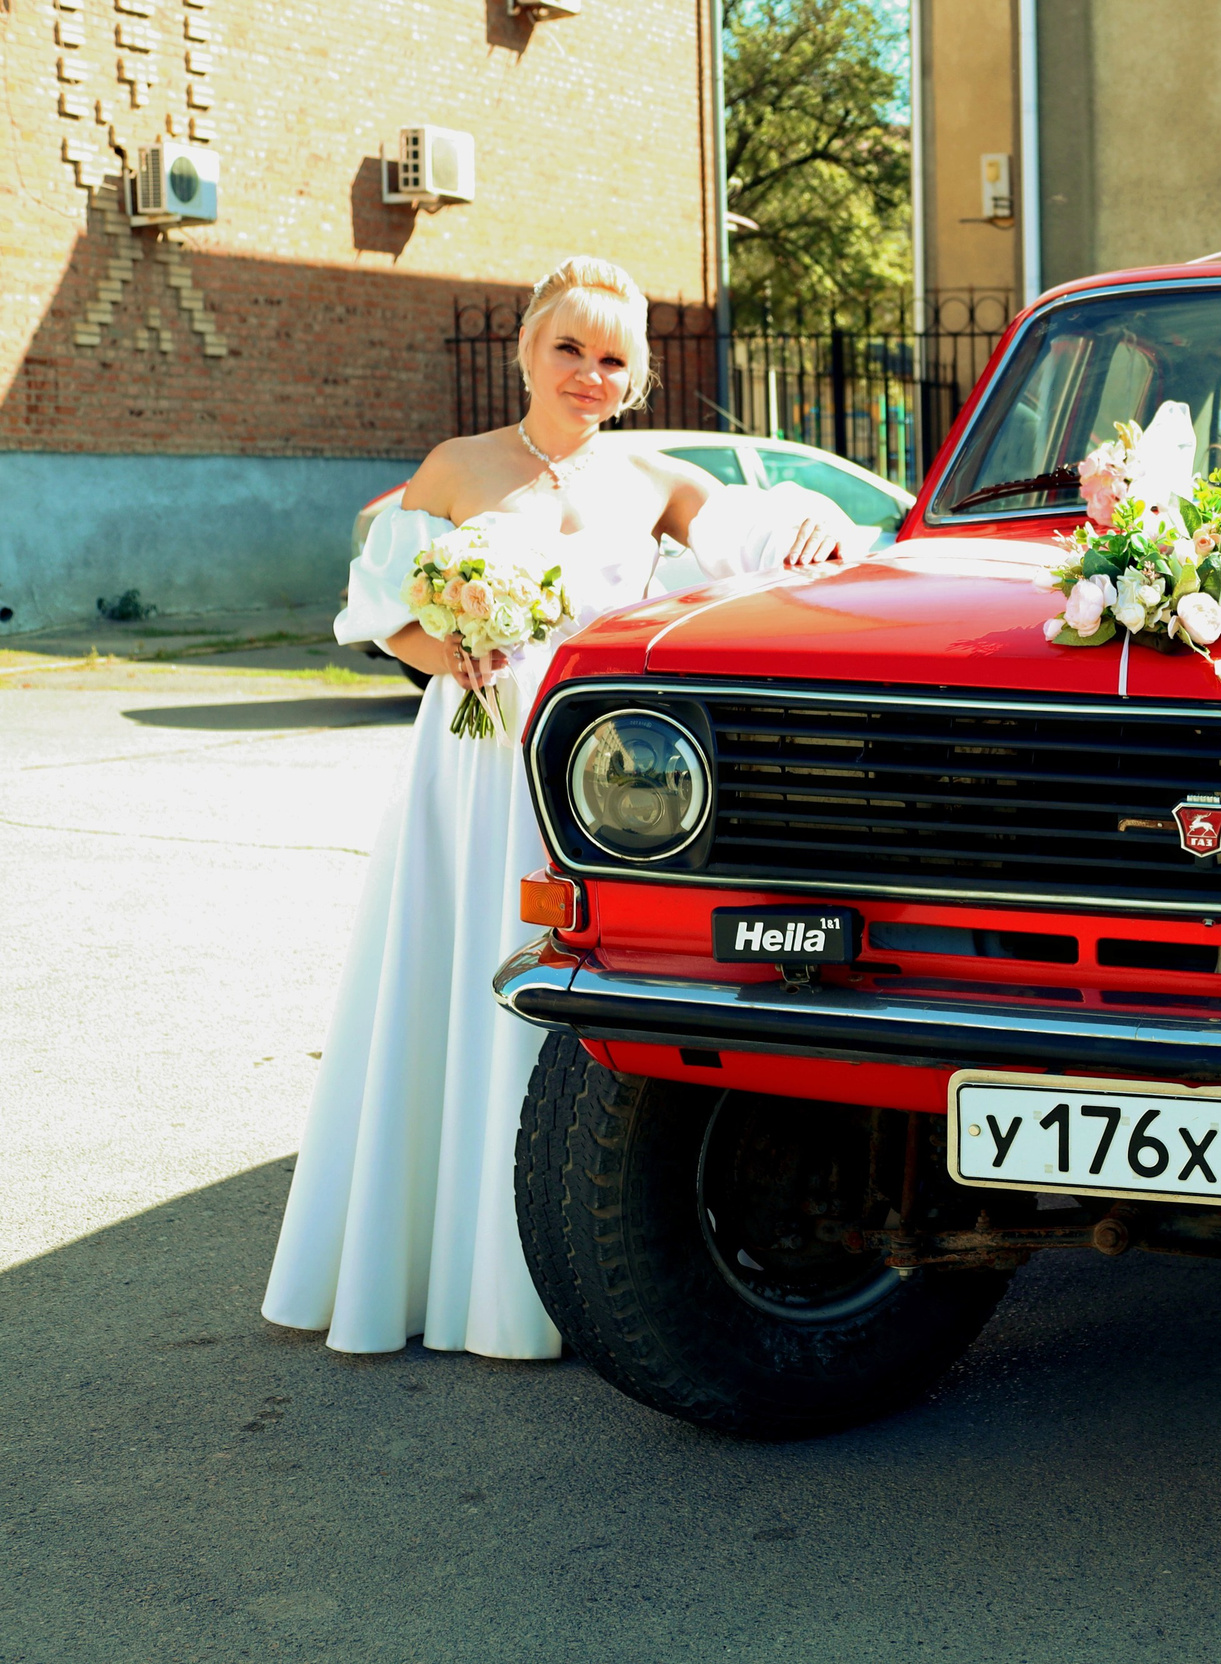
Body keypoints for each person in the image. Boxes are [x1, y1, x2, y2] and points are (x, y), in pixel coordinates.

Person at [262, 256, 860, 1358]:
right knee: (463, 975)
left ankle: (560, 1261)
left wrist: (814, 530)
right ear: (528, 351)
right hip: (477, 755)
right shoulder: (457, 465)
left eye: (614, 358)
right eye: (570, 348)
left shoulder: (653, 479)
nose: (590, 373)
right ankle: (442, 1268)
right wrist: (454, 648)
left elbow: (763, 534)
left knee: (576, 978)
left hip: (594, 770)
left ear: (634, 380)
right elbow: (379, 601)